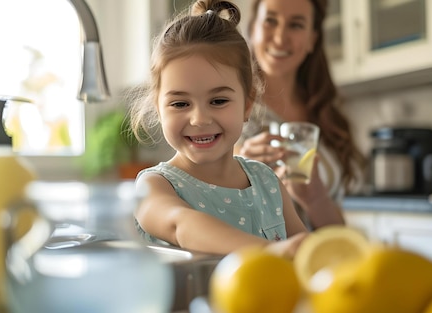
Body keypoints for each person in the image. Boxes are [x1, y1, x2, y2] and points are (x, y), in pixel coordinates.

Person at [128, 0, 308, 257]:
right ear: (158, 109)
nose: (199, 119)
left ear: (247, 105)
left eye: (218, 101)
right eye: (180, 103)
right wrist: (272, 253)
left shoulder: (267, 182)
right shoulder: (154, 187)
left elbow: (306, 255)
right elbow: (183, 225)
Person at [236, 0, 365, 229]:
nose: (279, 37)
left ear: (312, 39)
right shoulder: (230, 107)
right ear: (253, 28)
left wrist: (315, 200)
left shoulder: (326, 115)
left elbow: (335, 230)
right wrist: (238, 172)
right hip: (262, 261)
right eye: (270, 21)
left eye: (296, 25)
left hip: (320, 258)